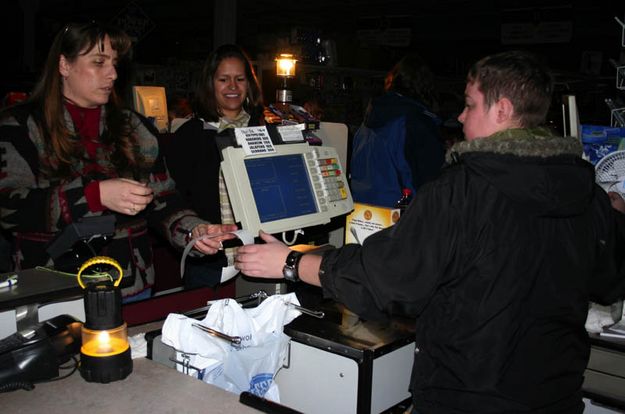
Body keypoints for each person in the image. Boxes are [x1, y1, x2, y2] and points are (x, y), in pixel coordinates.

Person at [234, 50, 625, 412]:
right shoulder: (586, 193)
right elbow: (610, 280)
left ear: (502, 110)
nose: (460, 117)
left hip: (465, 399)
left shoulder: (461, 189)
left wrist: (289, 262)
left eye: (470, 105)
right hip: (555, 396)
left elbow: (385, 281)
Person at [0, 22, 236, 301]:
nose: (112, 73)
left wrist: (194, 230)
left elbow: (163, 200)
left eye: (114, 63)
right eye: (98, 62)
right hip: (53, 288)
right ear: (64, 65)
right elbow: (9, 208)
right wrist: (93, 196)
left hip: (130, 285)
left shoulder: (134, 128)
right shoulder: (20, 128)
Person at [166, 44, 264, 288]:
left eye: (239, 79)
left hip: (260, 257)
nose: (232, 86)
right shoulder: (190, 135)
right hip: (208, 262)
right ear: (210, 85)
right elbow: (171, 199)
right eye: (223, 79)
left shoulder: (262, 132)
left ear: (249, 85)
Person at [350, 53, 445, 207]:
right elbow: (433, 185)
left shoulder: (366, 124)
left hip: (362, 214)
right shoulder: (415, 122)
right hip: (401, 220)